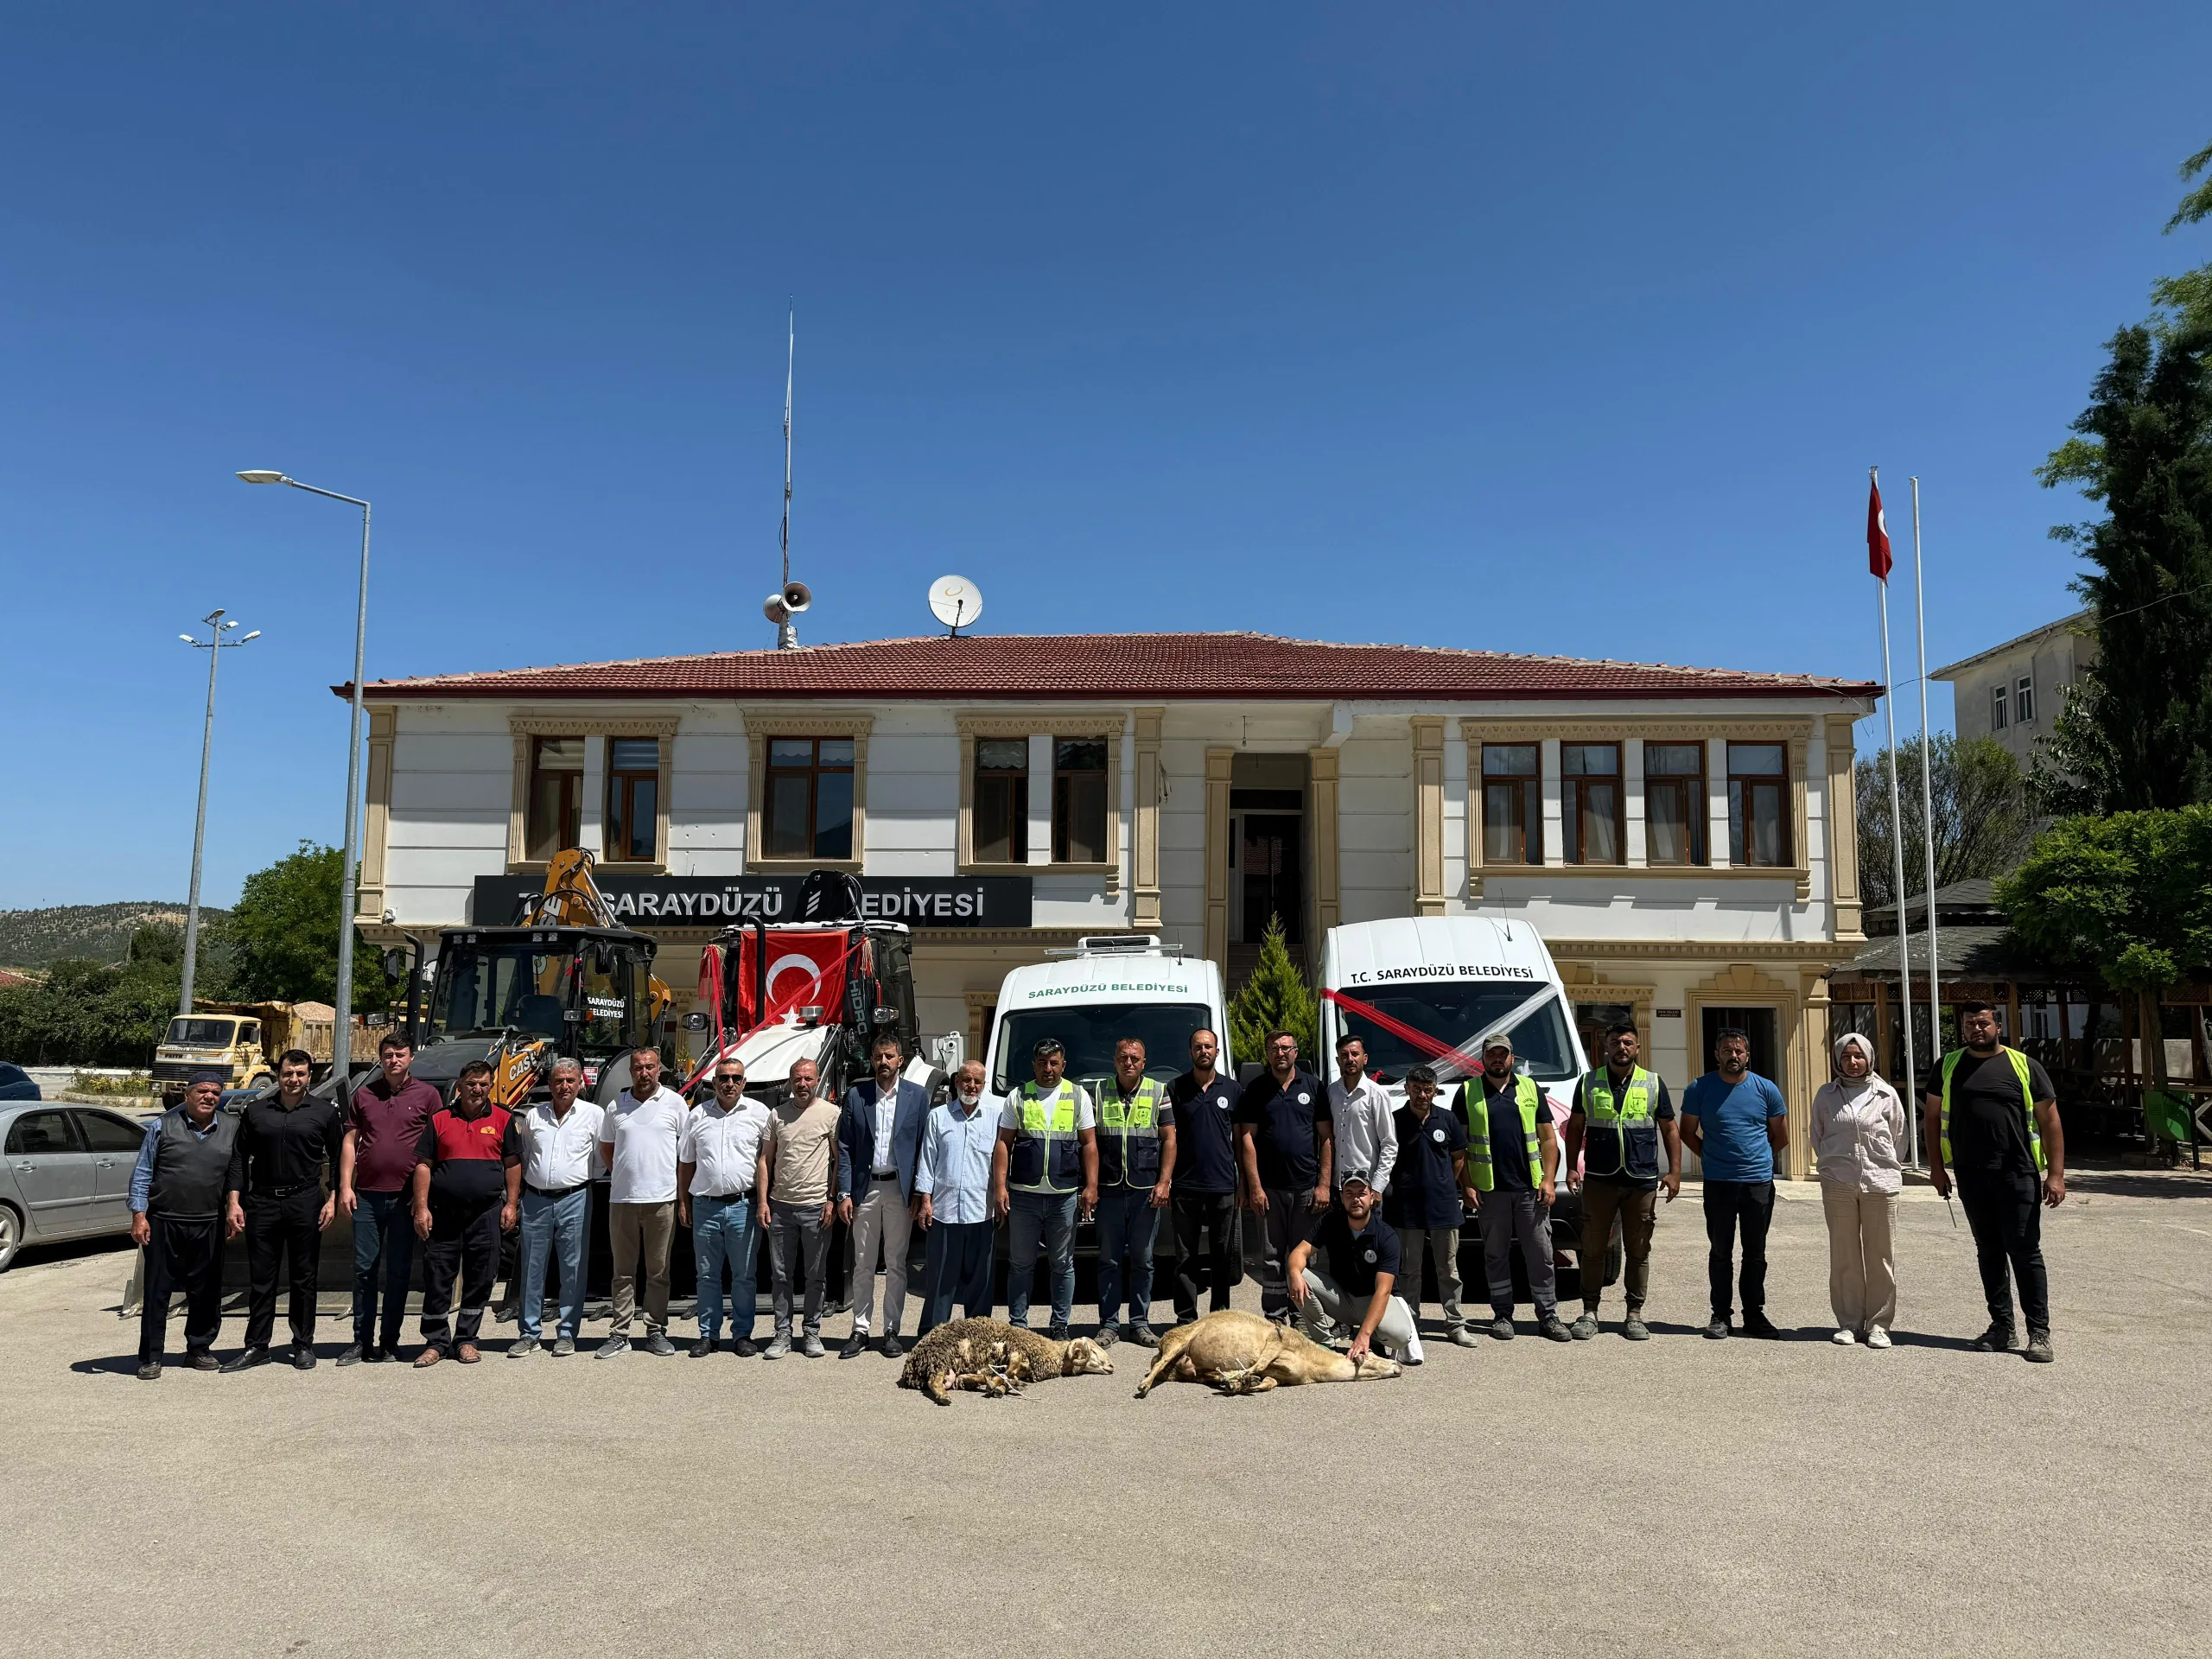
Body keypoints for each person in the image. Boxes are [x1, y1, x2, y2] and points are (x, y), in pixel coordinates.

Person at [1923, 1001, 2065, 1363]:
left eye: (1983, 1023)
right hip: (1971, 1174)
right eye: (1970, 1024)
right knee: (1988, 1249)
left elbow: (2049, 1120)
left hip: (2017, 1173)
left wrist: (2056, 1174)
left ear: (1997, 1025)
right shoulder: (1949, 1066)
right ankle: (2002, 1326)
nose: (1976, 1029)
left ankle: (2039, 1332)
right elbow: (1932, 1117)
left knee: (2024, 1250)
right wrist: (1937, 1169)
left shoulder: (2023, 1065)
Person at [221, 1048, 345, 1371]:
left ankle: (303, 1345)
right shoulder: (257, 1111)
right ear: (278, 1074)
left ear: (309, 1077)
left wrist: (333, 1198)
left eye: (300, 1074)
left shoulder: (324, 1113)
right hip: (262, 1202)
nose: (293, 1080)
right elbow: (238, 1158)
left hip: (305, 1202)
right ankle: (257, 1346)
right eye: (288, 1073)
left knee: (304, 1278)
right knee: (262, 1280)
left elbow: (339, 1157)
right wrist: (234, 1200)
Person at [1562, 1020, 1680, 1341]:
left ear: (1637, 1047)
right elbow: (1574, 1128)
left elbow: (1670, 1128)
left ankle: (1634, 1314)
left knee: (1638, 1249)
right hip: (1600, 1179)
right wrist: (1572, 1167)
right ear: (1606, 1047)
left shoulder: (1653, 1083)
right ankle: (1589, 1312)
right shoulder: (1588, 1082)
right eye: (1615, 1042)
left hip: (1641, 1180)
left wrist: (1674, 1172)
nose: (1622, 1048)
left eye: (1628, 1042)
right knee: (1593, 1247)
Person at [336, 1033, 442, 1365]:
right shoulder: (364, 1095)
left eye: (400, 1054)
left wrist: (425, 1198)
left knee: (397, 1271)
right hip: (366, 1195)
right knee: (364, 1270)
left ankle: (390, 1342)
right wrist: (345, 1186)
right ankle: (361, 1341)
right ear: (380, 1058)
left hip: (405, 1199)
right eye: (388, 1054)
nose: (393, 1060)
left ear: (411, 1057)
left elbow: (437, 1147)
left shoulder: (428, 1095)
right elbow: (351, 1141)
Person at [1459, 1032, 1570, 1342]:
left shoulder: (1531, 1088)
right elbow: (1459, 1148)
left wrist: (1548, 1180)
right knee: (1495, 1255)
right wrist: (1466, 1185)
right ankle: (1502, 1315)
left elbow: (1548, 1139)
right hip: (1490, 1191)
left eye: (1503, 1054)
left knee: (1541, 1255)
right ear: (1482, 1058)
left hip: (1529, 1190)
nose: (1498, 1058)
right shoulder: (1468, 1092)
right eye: (1492, 1053)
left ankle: (1548, 1315)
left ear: (1512, 1058)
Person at [130, 1071, 241, 1379]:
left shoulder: (232, 1127)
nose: (209, 1097)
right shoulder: (162, 1125)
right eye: (203, 1091)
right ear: (187, 1095)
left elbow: (235, 1169)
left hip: (208, 1221)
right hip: (164, 1221)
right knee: (157, 1291)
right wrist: (139, 1215)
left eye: (216, 1093)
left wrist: (233, 1204)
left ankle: (199, 1349)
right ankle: (152, 1356)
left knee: (206, 1291)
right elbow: (143, 1172)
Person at [1681, 1028, 1789, 1340]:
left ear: (1747, 1055)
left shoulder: (1766, 1089)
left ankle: (1754, 1314)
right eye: (1727, 1050)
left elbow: (1780, 1137)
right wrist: (1711, 1157)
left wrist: (1757, 1160)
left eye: (1739, 1051)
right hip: (1719, 1183)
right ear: (1717, 1054)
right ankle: (1720, 1316)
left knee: (1755, 1252)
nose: (1733, 1056)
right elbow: (1688, 1131)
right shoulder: (1699, 1088)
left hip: (1757, 1183)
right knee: (1720, 1251)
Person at [409, 1060, 518, 1367]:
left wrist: (511, 1204)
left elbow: (512, 1164)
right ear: (460, 1085)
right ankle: (436, 1342)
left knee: (481, 1277)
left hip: (486, 1213)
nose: (478, 1090)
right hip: (443, 1213)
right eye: (472, 1083)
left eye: (484, 1084)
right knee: (438, 1277)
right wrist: (421, 1207)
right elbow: (423, 1166)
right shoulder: (440, 1119)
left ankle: (466, 1340)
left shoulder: (504, 1119)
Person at [992, 1038, 1098, 1338]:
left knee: (1063, 1265)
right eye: (1042, 1063)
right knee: (1020, 1265)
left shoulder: (1078, 1096)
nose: (1048, 1069)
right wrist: (1000, 1188)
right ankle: (1018, 1326)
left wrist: (1091, 1186)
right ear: (1034, 1065)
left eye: (1054, 1063)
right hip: (1024, 1196)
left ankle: (1059, 1325)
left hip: (1063, 1197)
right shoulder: (1018, 1096)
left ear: (1063, 1065)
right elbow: (1004, 1143)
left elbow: (1089, 1144)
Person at [836, 1034, 931, 1359]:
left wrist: (920, 1191)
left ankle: (892, 1329)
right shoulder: (857, 1096)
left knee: (896, 1263)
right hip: (866, 1189)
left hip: (899, 1191)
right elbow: (845, 1147)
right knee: (862, 1263)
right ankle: (860, 1329)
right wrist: (844, 1192)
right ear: (872, 1060)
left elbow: (923, 1147)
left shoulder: (917, 1097)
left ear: (900, 1059)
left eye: (889, 1056)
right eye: (878, 1057)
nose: (884, 1063)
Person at [1810, 1032, 1905, 1348]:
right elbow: (1818, 1135)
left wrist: (1883, 1167)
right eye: (1846, 1057)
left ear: (1869, 1058)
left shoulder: (1886, 1094)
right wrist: (1832, 1168)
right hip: (1838, 1183)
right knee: (1844, 1255)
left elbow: (1899, 1139)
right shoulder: (1826, 1095)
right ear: (1837, 1060)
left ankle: (1879, 1324)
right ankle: (1849, 1322)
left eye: (1859, 1056)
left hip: (1881, 1184)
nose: (1853, 1062)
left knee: (1880, 1256)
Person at [1235, 1027, 1333, 1325]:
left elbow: (1327, 1138)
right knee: (1272, 1257)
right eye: (1274, 1048)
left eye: (1286, 1048)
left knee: (1304, 1256)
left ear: (1295, 1053)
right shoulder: (1256, 1089)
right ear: (1267, 1054)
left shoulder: (1314, 1087)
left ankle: (1304, 1316)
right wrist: (1255, 1187)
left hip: (1306, 1188)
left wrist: (1324, 1185)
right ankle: (1275, 1317)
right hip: (1271, 1190)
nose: (1280, 1053)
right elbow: (1246, 1139)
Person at [595, 1043, 687, 1358]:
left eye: (650, 1067)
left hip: (662, 1200)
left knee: (658, 1271)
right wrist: (622, 1172)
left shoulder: (675, 1104)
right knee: (622, 1272)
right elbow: (607, 1148)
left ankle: (655, 1330)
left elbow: (685, 1153)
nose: (644, 1073)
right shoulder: (615, 1107)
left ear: (659, 1069)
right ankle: (620, 1333)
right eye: (638, 1068)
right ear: (631, 1071)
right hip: (622, 1200)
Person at [509, 1056, 603, 1357]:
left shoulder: (594, 1115)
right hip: (535, 1199)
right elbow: (524, 1156)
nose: (564, 1086)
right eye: (559, 1081)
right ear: (550, 1085)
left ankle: (567, 1332)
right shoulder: (534, 1117)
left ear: (580, 1083)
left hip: (576, 1197)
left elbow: (601, 1158)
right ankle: (529, 1333)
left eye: (570, 1080)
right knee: (531, 1269)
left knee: (572, 1269)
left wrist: (580, 1181)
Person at [1287, 1169, 1423, 1367]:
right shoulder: (1330, 1221)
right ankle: (1324, 1344)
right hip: (1342, 1298)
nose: (1356, 1199)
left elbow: (1383, 1291)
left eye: (1361, 1193)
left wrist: (1363, 1335)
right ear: (1342, 1198)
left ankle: (1373, 1339)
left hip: (1374, 1300)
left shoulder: (1386, 1236)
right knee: (1297, 1273)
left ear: (1372, 1197)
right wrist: (1293, 1273)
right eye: (1349, 1193)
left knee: (1400, 1337)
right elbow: (1299, 1253)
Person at [680, 1058, 769, 1358]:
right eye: (724, 1078)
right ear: (713, 1082)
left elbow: (768, 1162)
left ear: (744, 1083)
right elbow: (686, 1163)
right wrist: (683, 1201)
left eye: (736, 1078)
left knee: (744, 1275)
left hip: (745, 1206)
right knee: (706, 1276)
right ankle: (708, 1335)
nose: (729, 1083)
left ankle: (742, 1334)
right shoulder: (697, 1116)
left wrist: (764, 1202)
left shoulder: (759, 1114)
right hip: (706, 1207)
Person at [758, 1057, 846, 1358]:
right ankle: (782, 1333)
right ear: (790, 1081)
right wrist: (763, 1202)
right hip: (781, 1207)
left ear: (817, 1080)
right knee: (780, 1276)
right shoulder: (776, 1115)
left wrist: (832, 1200)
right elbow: (764, 1160)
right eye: (798, 1078)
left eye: (809, 1078)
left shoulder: (831, 1114)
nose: (803, 1084)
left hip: (816, 1207)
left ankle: (811, 1332)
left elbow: (838, 1160)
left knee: (815, 1275)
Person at [1384, 1063, 1477, 1346]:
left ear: (1435, 1091)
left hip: (1443, 1207)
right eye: (1416, 1089)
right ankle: (1411, 1324)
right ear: (1406, 1089)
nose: (1422, 1095)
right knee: (1409, 1270)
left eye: (1427, 1090)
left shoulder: (1447, 1120)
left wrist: (1445, 1184)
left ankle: (1455, 1324)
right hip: (1406, 1207)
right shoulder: (1395, 1120)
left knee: (1447, 1269)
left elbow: (1459, 1157)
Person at [1093, 1037, 1174, 1347]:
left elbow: (1169, 1139)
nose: (1129, 1063)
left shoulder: (1158, 1091)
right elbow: (1090, 1142)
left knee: (1143, 1260)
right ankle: (1109, 1325)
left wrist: (1164, 1182)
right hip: (1109, 1191)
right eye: (1123, 1058)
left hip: (1145, 1192)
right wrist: (1090, 1186)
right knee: (1109, 1261)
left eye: (1135, 1059)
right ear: (1115, 1060)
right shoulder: (1099, 1092)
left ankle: (1140, 1323)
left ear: (1144, 1062)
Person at [915, 1059, 998, 1332]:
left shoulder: (995, 1116)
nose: (971, 1086)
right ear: (957, 1082)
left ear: (983, 1086)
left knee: (980, 1282)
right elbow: (927, 1161)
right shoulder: (938, 1116)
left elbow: (1001, 1162)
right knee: (940, 1280)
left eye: (977, 1082)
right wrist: (925, 1201)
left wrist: (1001, 1193)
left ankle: (978, 1335)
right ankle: (932, 1336)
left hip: (981, 1212)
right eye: (966, 1080)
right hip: (944, 1212)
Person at [1167, 1028, 1239, 1330]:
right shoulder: (1175, 1088)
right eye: (1198, 1047)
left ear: (1217, 1052)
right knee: (1185, 1258)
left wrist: (1244, 1184)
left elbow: (1242, 1141)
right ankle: (1186, 1318)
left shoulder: (1233, 1090)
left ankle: (1220, 1318)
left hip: (1223, 1185)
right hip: (1185, 1186)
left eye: (1208, 1046)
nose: (1203, 1051)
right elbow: (1168, 1137)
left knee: (1222, 1256)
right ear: (1190, 1052)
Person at [1327, 1034, 1397, 1198]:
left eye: (1355, 1054)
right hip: (1337, 1187)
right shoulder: (1331, 1092)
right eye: (1344, 1055)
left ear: (1365, 1058)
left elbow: (1389, 1144)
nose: (1350, 1059)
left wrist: (1378, 1186)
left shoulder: (1377, 1094)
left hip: (1367, 1188)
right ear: (1338, 1061)